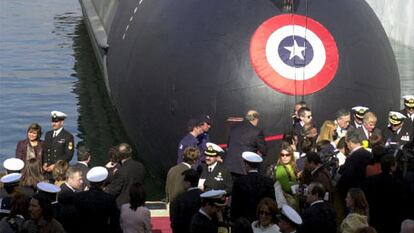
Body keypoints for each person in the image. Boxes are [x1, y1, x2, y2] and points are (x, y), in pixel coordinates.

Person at [362, 155, 406, 233]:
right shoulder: (398, 184)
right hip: (391, 221)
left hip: (374, 218)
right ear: (392, 167)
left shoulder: (370, 180)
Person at [74, 166, 121, 233]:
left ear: (90, 182)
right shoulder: (109, 199)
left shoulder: (79, 197)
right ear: (103, 182)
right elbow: (114, 222)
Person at [231, 152, 275, 223]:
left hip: (244, 222)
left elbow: (235, 206)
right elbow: (272, 202)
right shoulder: (268, 181)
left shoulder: (239, 182)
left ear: (246, 165)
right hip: (263, 220)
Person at [225, 110, 266, 177]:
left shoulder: (234, 128)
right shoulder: (257, 131)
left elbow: (228, 146)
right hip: (245, 168)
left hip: (230, 167)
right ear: (255, 119)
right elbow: (263, 150)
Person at [106, 143, 146, 207]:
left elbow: (113, 191)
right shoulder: (140, 166)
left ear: (119, 155)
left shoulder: (121, 170)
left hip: (123, 207)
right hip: (138, 204)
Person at [337, 128, 372, 200]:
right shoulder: (369, 154)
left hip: (354, 196)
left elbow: (347, 178)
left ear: (350, 142)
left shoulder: (352, 158)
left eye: (346, 143)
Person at [42, 111, 75, 179]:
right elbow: (45, 151)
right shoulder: (48, 134)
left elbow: (69, 155)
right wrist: (45, 163)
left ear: (62, 122)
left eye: (56, 122)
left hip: (60, 171)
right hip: (47, 171)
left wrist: (55, 166)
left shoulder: (68, 136)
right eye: (53, 121)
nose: (54, 124)